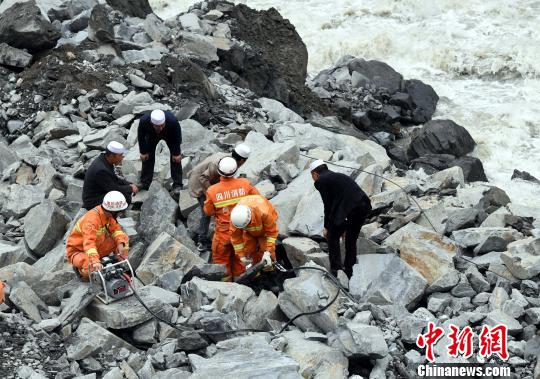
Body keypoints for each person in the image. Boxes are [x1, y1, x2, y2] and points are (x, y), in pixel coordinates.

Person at [310, 159, 372, 278]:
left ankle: (336, 270)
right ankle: (350, 271)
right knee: (350, 240)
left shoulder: (321, 181)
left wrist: (327, 227)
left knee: (332, 237)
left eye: (312, 176)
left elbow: (328, 204)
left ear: (314, 174)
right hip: (363, 206)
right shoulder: (337, 176)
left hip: (352, 210)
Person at [203, 157, 260, 281]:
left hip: (223, 236)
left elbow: (208, 212)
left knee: (221, 263)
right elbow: (258, 201)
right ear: (235, 171)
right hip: (242, 233)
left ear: (219, 171)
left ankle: (226, 289)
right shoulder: (245, 184)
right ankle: (241, 286)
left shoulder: (212, 191)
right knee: (241, 260)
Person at [188, 144, 251, 252]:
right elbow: (203, 178)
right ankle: (201, 241)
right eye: (245, 161)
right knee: (206, 213)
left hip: (211, 181)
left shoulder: (230, 161)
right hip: (199, 184)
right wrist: (213, 195)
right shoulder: (218, 164)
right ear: (242, 160)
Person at [66, 191, 130, 279]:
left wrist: (120, 244)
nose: (121, 214)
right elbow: (89, 244)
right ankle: (81, 272)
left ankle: (122, 263)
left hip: (98, 246)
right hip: (79, 251)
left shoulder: (108, 215)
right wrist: (95, 261)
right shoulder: (91, 221)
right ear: (112, 211)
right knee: (92, 266)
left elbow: (116, 230)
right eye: (120, 212)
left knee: (123, 238)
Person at [82, 141, 138, 210]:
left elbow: (115, 179)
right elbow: (114, 189)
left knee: (125, 192)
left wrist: (129, 184)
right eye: (120, 155)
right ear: (112, 155)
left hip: (101, 192)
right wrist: (130, 188)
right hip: (93, 201)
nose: (122, 158)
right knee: (124, 197)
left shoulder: (104, 159)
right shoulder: (101, 170)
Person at [229, 195, 278, 273]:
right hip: (249, 232)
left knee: (268, 253)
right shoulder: (236, 219)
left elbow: (272, 234)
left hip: (265, 230)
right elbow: (236, 238)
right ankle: (257, 271)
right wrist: (241, 256)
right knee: (248, 250)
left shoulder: (264, 213)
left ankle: (271, 271)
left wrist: (267, 252)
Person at [137, 109, 183, 193]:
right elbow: (141, 136)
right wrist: (143, 152)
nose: (160, 128)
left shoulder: (172, 120)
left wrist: (176, 153)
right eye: (157, 126)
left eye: (162, 125)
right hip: (151, 136)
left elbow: (177, 137)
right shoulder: (144, 121)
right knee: (147, 157)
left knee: (176, 159)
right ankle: (145, 182)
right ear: (151, 123)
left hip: (170, 135)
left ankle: (177, 184)